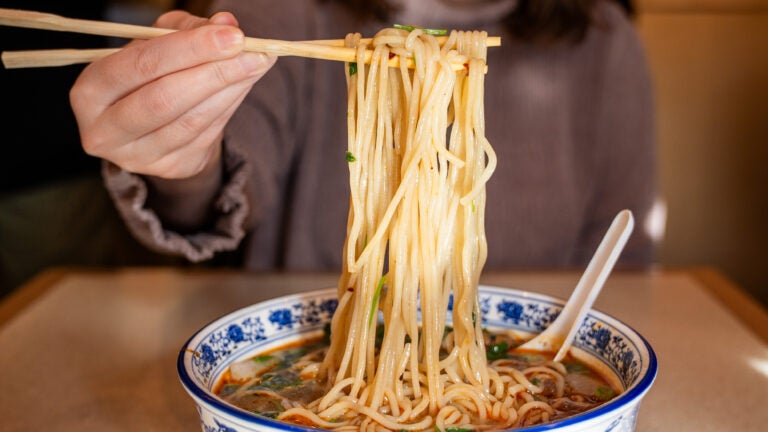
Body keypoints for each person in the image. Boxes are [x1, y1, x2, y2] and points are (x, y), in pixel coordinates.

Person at [69, 0, 658, 272]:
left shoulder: (603, 42)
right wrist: (178, 150)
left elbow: (620, 261)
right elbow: (222, 185)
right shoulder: (286, 15)